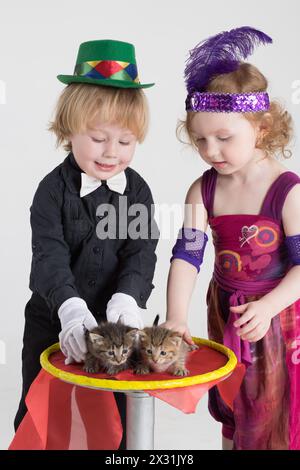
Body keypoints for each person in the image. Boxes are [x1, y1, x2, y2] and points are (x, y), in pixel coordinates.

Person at [14, 39, 159, 449]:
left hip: (116, 333)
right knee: (45, 415)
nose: (112, 153)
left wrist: (127, 300)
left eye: (125, 142)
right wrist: (71, 309)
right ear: (69, 130)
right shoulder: (51, 191)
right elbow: (49, 255)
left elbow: (140, 251)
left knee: (117, 416)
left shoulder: (138, 193)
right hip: (53, 324)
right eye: (98, 139)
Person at [164, 27, 300, 450]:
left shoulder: (287, 190)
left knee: (273, 416)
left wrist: (270, 306)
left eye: (224, 139)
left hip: (276, 319)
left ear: (261, 128)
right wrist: (176, 316)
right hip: (226, 314)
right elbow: (187, 257)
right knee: (236, 410)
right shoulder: (202, 190)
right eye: (201, 140)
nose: (211, 151)